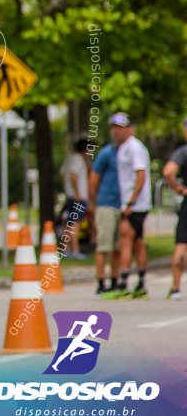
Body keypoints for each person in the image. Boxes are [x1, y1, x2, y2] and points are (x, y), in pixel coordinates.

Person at [104, 112, 152, 299]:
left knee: (125, 240)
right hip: (134, 203)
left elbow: (140, 175)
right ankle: (141, 284)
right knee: (138, 243)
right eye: (114, 127)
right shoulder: (123, 148)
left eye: (120, 127)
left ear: (129, 129)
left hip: (135, 204)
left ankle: (122, 284)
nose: (116, 131)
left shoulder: (133, 148)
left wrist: (131, 201)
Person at [88, 136, 122, 298]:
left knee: (118, 247)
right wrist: (95, 203)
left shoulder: (129, 152)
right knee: (104, 245)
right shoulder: (106, 153)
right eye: (115, 128)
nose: (118, 131)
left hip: (123, 205)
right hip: (106, 204)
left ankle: (116, 281)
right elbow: (93, 180)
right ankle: (101, 283)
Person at [161, 116, 187, 300]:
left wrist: (176, 187)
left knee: (182, 243)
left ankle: (176, 288)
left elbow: (168, 171)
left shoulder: (183, 152)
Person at [59, 138, 91, 259]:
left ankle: (66, 249)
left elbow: (62, 174)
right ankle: (75, 250)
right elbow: (73, 175)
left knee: (69, 223)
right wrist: (77, 191)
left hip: (70, 195)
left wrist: (68, 188)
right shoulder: (78, 160)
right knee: (75, 223)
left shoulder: (69, 158)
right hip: (78, 196)